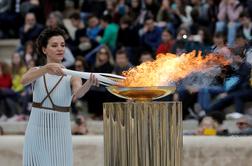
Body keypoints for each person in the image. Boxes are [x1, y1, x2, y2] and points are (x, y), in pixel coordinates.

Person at [22, 27, 99, 166]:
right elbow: (24, 81)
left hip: (60, 134)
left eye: (62, 45)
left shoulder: (72, 75)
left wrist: (89, 83)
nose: (60, 49)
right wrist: (46, 68)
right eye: (54, 45)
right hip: (35, 132)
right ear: (44, 49)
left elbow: (78, 93)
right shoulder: (37, 71)